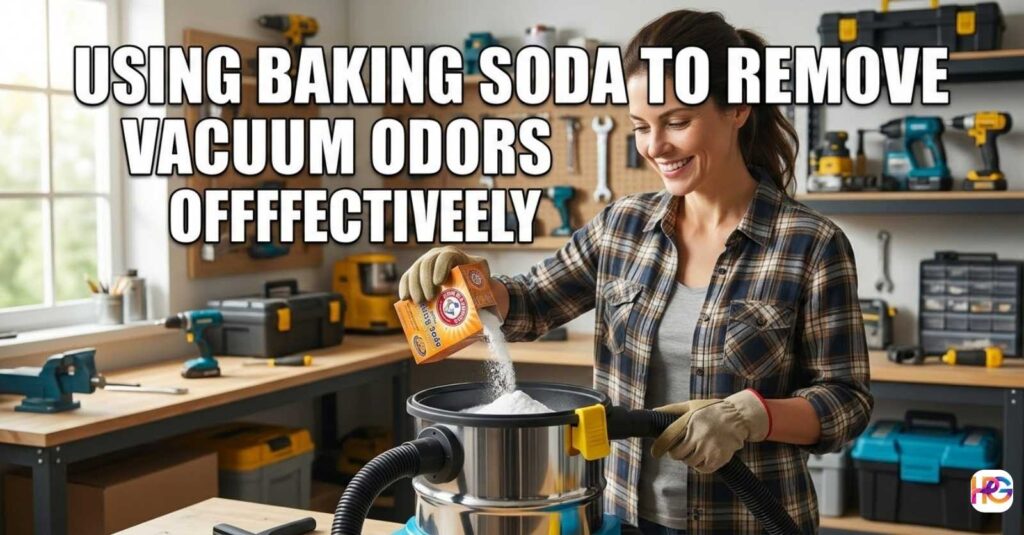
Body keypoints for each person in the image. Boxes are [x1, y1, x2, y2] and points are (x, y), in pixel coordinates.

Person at [399, 9, 872, 535]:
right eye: (642, 126)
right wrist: (470, 281)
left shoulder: (810, 244)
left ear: (738, 106)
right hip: (620, 517)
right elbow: (531, 304)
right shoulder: (622, 226)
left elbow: (846, 401)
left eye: (676, 121)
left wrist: (752, 416)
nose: (655, 147)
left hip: (748, 519)